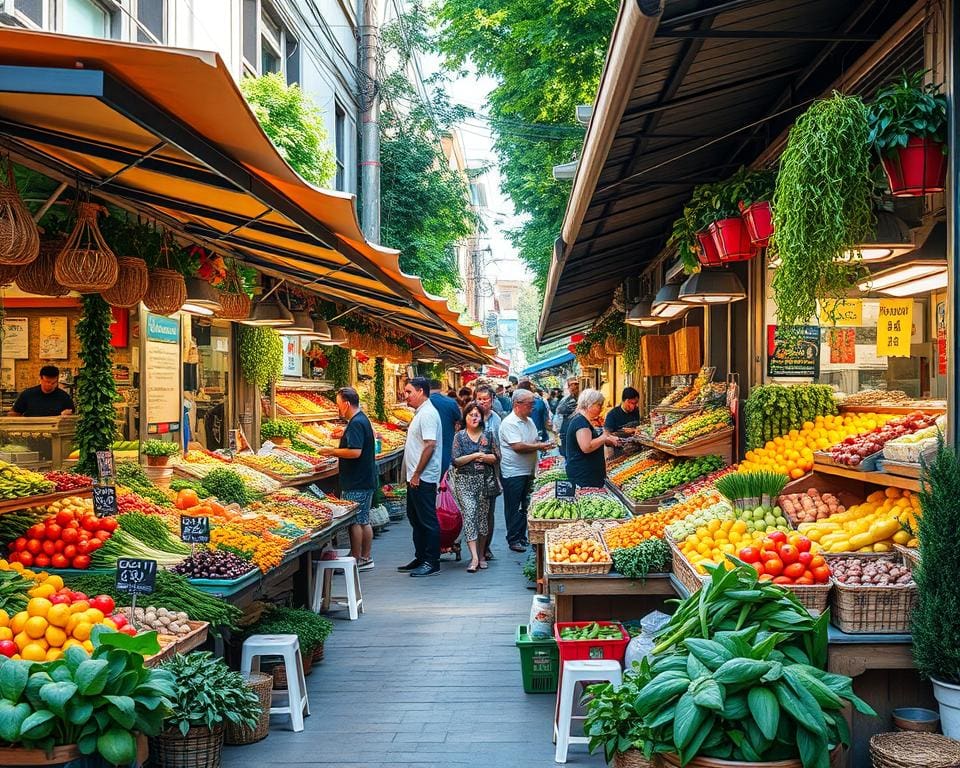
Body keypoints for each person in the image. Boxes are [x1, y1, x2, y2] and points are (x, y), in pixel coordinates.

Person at [318, 388, 377, 570]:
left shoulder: (356, 423)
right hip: (364, 478)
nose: (338, 408)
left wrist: (331, 451)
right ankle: (366, 557)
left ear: (346, 404)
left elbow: (355, 451)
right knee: (364, 519)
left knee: (355, 521)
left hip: (356, 480)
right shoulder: (361, 419)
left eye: (338, 404)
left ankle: (356, 559)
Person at [499, 390, 554, 552]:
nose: (533, 407)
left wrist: (542, 443)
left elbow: (533, 440)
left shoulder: (529, 421)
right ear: (517, 405)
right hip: (513, 472)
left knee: (525, 505)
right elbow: (518, 447)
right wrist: (539, 446)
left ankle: (522, 536)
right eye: (530, 404)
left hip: (529, 470)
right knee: (514, 506)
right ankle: (513, 538)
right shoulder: (510, 423)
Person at [399, 377, 442, 577]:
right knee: (415, 518)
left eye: (409, 392)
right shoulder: (420, 413)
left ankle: (432, 561)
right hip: (415, 476)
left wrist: (417, 473)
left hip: (423, 477)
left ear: (421, 392)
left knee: (427, 520)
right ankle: (421, 556)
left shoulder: (428, 414)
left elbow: (430, 444)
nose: (405, 396)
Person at [451, 401, 500, 573]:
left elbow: (496, 456)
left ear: (481, 417)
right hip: (464, 481)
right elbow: (456, 460)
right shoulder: (459, 436)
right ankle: (474, 557)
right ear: (465, 417)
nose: (474, 417)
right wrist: (475, 455)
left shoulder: (489, 434)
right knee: (470, 514)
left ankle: (482, 554)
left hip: (484, 481)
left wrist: (485, 458)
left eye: (477, 414)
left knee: (482, 519)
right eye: (471, 414)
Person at [565, 388, 621, 488]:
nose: (601, 408)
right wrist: (604, 437)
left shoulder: (581, 420)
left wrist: (607, 438)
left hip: (587, 474)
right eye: (599, 405)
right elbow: (587, 447)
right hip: (584, 476)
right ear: (589, 404)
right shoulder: (580, 422)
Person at [474, 384, 502, 560]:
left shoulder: (496, 420)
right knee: (473, 511)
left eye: (486, 399)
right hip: (470, 471)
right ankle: (476, 549)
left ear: (492, 400)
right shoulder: (470, 417)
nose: (482, 402)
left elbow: (498, 449)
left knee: (488, 512)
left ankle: (486, 547)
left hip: (490, 471)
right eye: (479, 398)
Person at [10, 365, 74, 417]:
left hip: (54, 429)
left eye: (53, 383)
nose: (50, 385)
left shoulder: (64, 397)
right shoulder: (27, 394)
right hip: (32, 429)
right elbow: (14, 413)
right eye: (47, 382)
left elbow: (72, 414)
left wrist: (68, 414)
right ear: (40, 379)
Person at [429, 379, 462, 478]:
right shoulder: (451, 402)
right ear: (441, 388)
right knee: (444, 476)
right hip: (446, 443)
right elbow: (458, 420)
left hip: (427, 445)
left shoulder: (425, 403)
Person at [554, 377, 580, 456]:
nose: (574, 387)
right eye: (571, 385)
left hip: (574, 430)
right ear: (568, 388)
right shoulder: (567, 401)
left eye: (576, 385)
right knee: (568, 454)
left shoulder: (578, 398)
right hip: (566, 431)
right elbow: (558, 417)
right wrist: (558, 432)